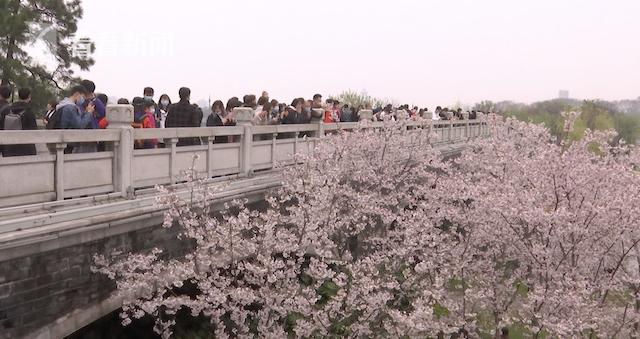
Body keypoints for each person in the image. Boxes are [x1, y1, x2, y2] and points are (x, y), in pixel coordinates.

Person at [0, 88, 37, 157]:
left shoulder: (7, 110)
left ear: (19, 96)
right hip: (26, 149)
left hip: (8, 147)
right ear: (29, 96)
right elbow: (34, 131)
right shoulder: (29, 112)